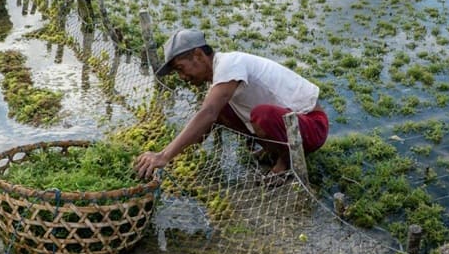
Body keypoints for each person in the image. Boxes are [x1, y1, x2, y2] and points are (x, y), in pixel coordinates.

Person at [135, 29, 329, 181]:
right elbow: (210, 117)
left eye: (180, 68)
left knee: (260, 115)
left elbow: (208, 113)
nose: (182, 77)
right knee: (223, 110)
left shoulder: (229, 64)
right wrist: (178, 156)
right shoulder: (220, 76)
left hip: (312, 125)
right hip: (289, 124)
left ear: (198, 55)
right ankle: (275, 147)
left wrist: (163, 155)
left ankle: (286, 162)